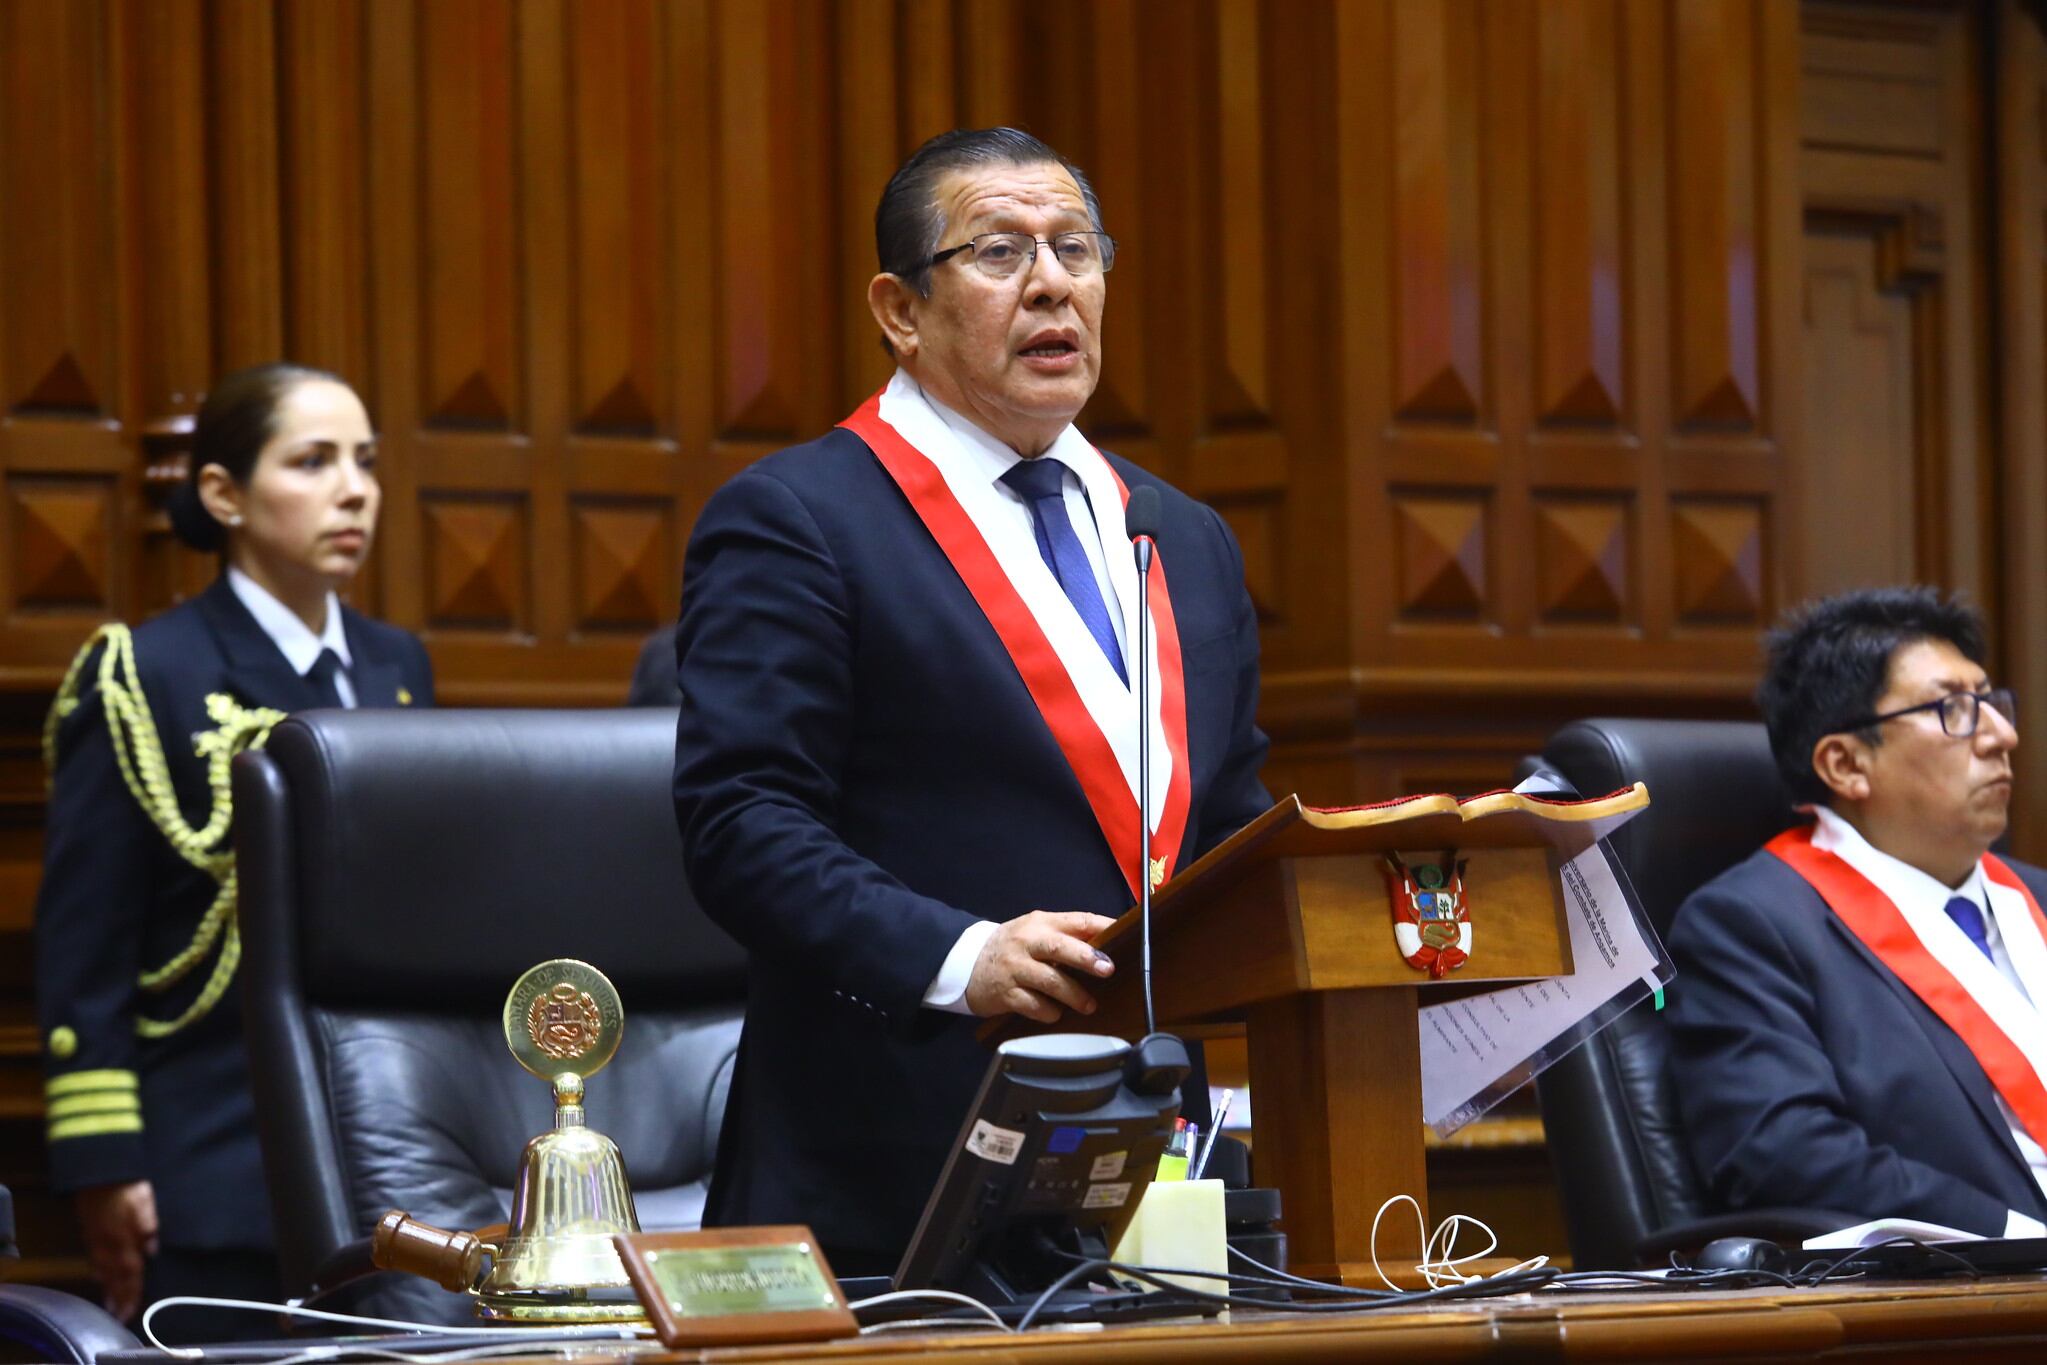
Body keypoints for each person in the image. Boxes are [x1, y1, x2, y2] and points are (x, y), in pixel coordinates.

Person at [672, 127, 1272, 1272]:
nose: (1053, 283)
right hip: (892, 1172)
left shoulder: (1176, 535)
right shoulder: (800, 518)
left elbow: (1226, 823)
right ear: (900, 311)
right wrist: (960, 955)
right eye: (1000, 251)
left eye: (1077, 250)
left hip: (1148, 1168)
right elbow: (741, 825)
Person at [34, 363, 436, 1328]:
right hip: (217, 1160)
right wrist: (107, 1161)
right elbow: (86, 942)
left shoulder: (396, 665)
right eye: (312, 461)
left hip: (398, 1166)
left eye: (366, 462)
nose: (355, 490)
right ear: (222, 493)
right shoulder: (147, 672)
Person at [1667, 586, 2047, 1237]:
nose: (2002, 735)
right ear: (1845, 763)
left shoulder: (2035, 896)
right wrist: (2020, 1238)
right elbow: (1791, 1160)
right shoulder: (1750, 927)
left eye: (1990, 701)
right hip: (1970, 1302)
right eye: (1954, 708)